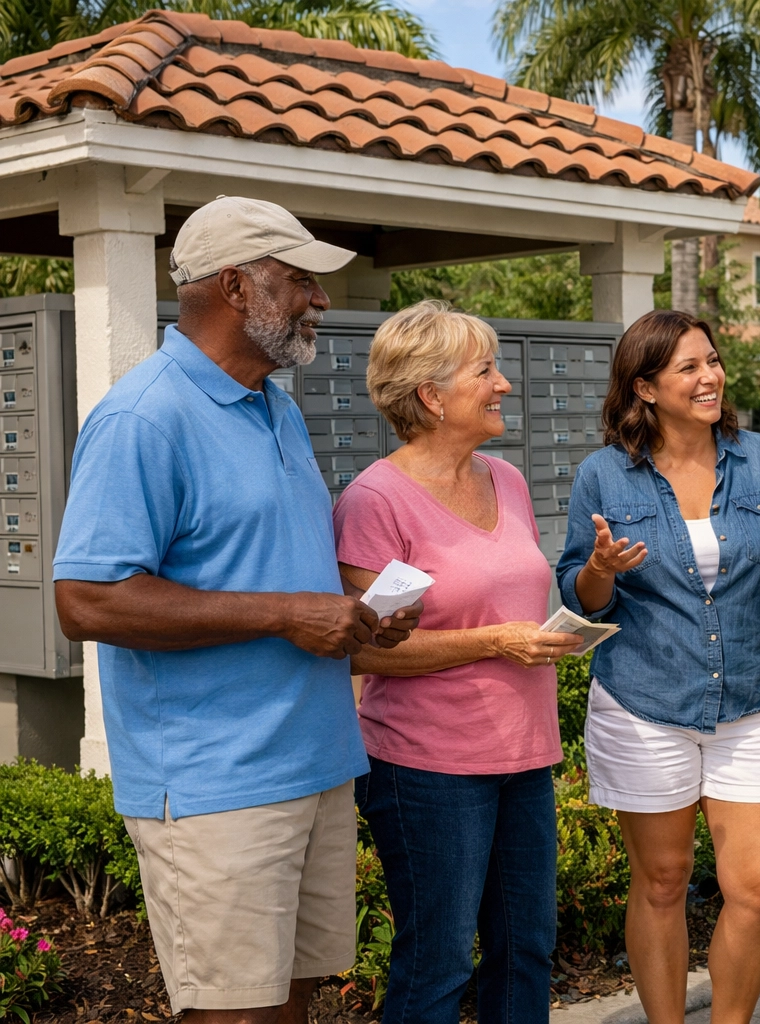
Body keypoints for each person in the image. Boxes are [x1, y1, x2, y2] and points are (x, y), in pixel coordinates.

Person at [51, 196, 420, 1024]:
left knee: (292, 997)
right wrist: (287, 613)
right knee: (233, 1012)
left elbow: (268, 572)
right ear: (234, 287)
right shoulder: (143, 418)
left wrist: (356, 612)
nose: (320, 298)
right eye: (298, 281)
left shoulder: (274, 407)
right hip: (215, 783)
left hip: (314, 761)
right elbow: (86, 600)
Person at [555, 309, 760, 1024]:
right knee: (663, 881)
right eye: (689, 367)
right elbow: (579, 597)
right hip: (643, 703)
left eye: (713, 361)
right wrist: (600, 569)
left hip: (756, 702)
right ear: (645, 387)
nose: (710, 377)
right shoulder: (604, 475)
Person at [331, 301, 583, 1024]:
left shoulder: (505, 479)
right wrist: (496, 641)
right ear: (431, 395)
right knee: (438, 964)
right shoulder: (375, 500)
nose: (504, 384)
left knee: (527, 949)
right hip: (427, 769)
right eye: (486, 371)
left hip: (524, 755)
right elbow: (366, 649)